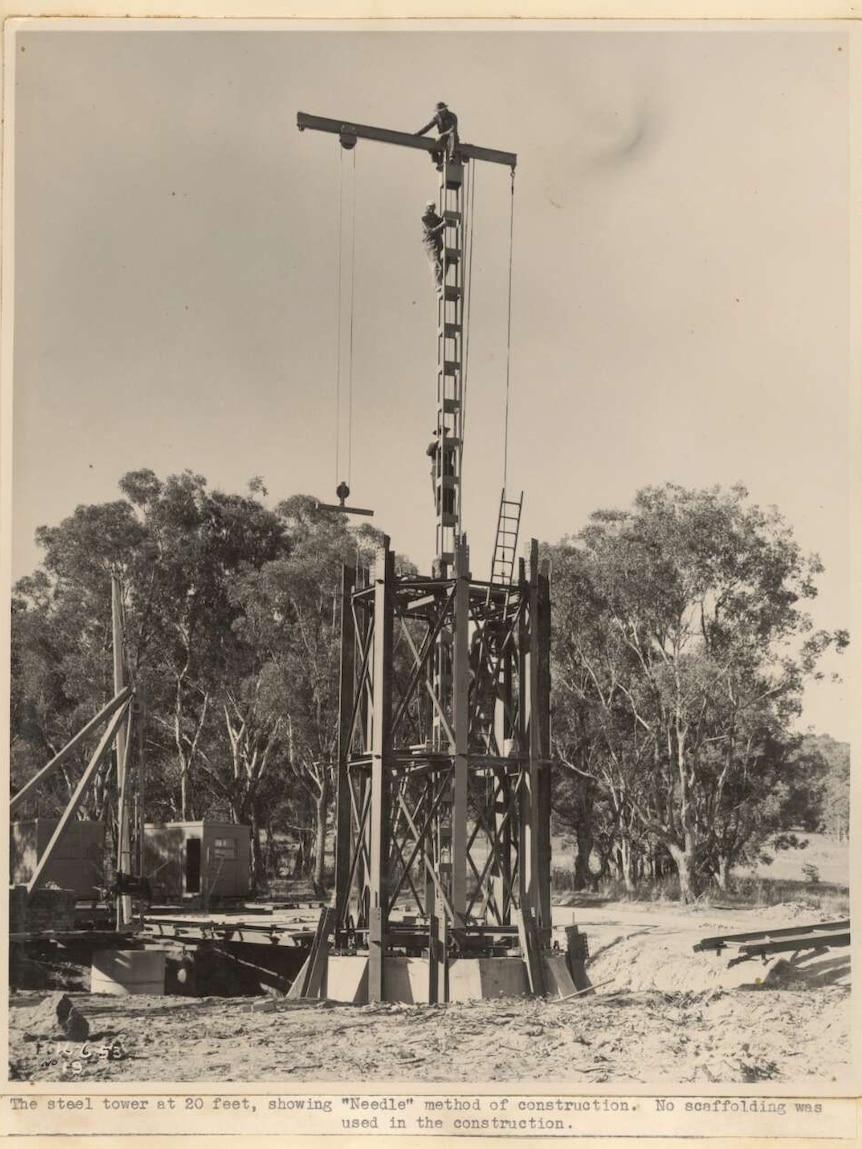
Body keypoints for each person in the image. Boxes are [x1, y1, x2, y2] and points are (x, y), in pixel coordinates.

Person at [416, 102, 459, 168]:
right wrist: (418, 134)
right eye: (438, 112)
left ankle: (451, 157)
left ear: (445, 109)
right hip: (442, 139)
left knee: (452, 136)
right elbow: (428, 126)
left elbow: (453, 129)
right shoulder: (437, 117)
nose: (439, 113)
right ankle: (438, 161)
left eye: (440, 111)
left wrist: (442, 134)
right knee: (431, 143)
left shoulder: (452, 116)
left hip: (452, 138)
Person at [421, 201, 446, 289]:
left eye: (433, 207)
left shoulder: (434, 217)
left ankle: (438, 280)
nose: (432, 209)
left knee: (443, 262)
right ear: (427, 208)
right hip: (430, 245)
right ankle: (437, 284)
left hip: (437, 244)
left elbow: (441, 223)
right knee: (435, 264)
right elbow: (430, 231)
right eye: (430, 207)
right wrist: (442, 225)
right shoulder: (425, 218)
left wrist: (443, 219)